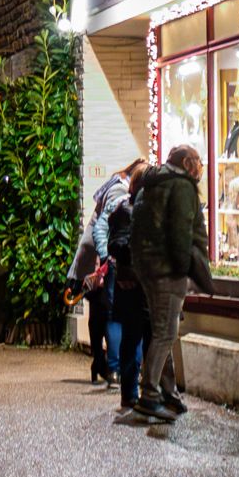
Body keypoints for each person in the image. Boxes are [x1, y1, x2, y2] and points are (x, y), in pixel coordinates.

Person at [130, 144, 213, 423]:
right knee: (166, 333)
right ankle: (150, 395)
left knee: (161, 331)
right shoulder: (181, 186)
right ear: (186, 163)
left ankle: (168, 392)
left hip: (147, 268)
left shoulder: (149, 184)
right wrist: (184, 271)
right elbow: (181, 234)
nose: (199, 166)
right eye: (197, 161)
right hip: (167, 271)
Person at [86, 158, 147, 389]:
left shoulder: (117, 199)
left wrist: (106, 256)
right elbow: (102, 229)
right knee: (130, 319)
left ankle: (116, 370)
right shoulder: (127, 201)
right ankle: (124, 371)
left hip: (116, 265)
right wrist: (107, 257)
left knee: (116, 316)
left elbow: (99, 228)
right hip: (124, 267)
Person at [107, 169, 152, 415]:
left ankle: (145, 392)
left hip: (144, 286)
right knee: (134, 338)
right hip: (133, 286)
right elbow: (115, 245)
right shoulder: (126, 212)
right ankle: (130, 394)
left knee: (146, 338)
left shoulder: (147, 213)